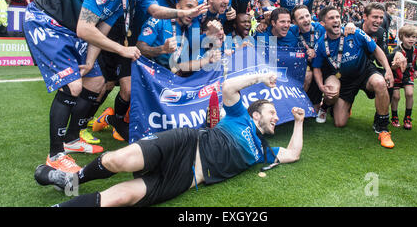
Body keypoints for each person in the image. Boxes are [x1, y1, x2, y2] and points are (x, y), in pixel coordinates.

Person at [34, 72, 307, 207]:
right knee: (119, 160)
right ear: (256, 114)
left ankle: (64, 197)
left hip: (189, 177)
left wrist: (298, 121)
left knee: (123, 197)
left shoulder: (263, 151)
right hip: (187, 143)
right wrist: (260, 78)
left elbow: (293, 154)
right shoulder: (240, 117)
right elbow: (228, 87)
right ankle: (71, 182)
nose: (275, 118)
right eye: (272, 113)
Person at [23, 0, 157, 173]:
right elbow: (85, 29)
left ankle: (73, 139)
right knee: (73, 86)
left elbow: (99, 32)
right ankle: (56, 154)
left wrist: (88, 61)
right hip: (47, 21)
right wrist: (122, 50)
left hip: (70, 30)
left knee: (95, 82)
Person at [312, 6, 395, 148]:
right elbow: (317, 68)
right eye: (331, 18)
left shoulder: (355, 33)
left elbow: (376, 50)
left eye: (337, 17)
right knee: (339, 123)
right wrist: (321, 86)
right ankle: (337, 105)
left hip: (365, 73)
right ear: (323, 24)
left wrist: (388, 69)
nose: (336, 20)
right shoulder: (320, 44)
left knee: (380, 83)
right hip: (344, 81)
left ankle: (382, 128)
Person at [291, 5, 326, 110]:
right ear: (294, 22)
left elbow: (339, 29)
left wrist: (350, 25)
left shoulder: (321, 28)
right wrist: (264, 24)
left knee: (315, 111)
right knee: (308, 75)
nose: (306, 20)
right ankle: (296, 104)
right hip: (302, 68)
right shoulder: (292, 30)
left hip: (320, 67)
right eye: (301, 18)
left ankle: (325, 104)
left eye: (307, 16)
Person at [390, 24, 417, 130]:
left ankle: (407, 117)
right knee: (396, 97)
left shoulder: (415, 50)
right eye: (408, 36)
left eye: (414, 37)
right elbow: (391, 65)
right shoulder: (396, 50)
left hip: (407, 75)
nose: (411, 39)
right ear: (401, 37)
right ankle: (394, 116)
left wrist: (415, 69)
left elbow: (413, 61)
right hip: (396, 75)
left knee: (410, 93)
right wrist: (394, 66)